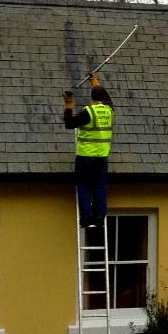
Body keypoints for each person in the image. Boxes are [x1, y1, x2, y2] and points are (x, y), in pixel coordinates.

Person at [63, 72, 113, 229]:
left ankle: (85, 217)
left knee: (84, 186)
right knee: (100, 187)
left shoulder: (88, 112)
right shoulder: (109, 110)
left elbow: (69, 124)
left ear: (92, 97)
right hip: (102, 156)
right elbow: (106, 96)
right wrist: (94, 80)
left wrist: (69, 104)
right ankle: (99, 217)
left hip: (86, 156)